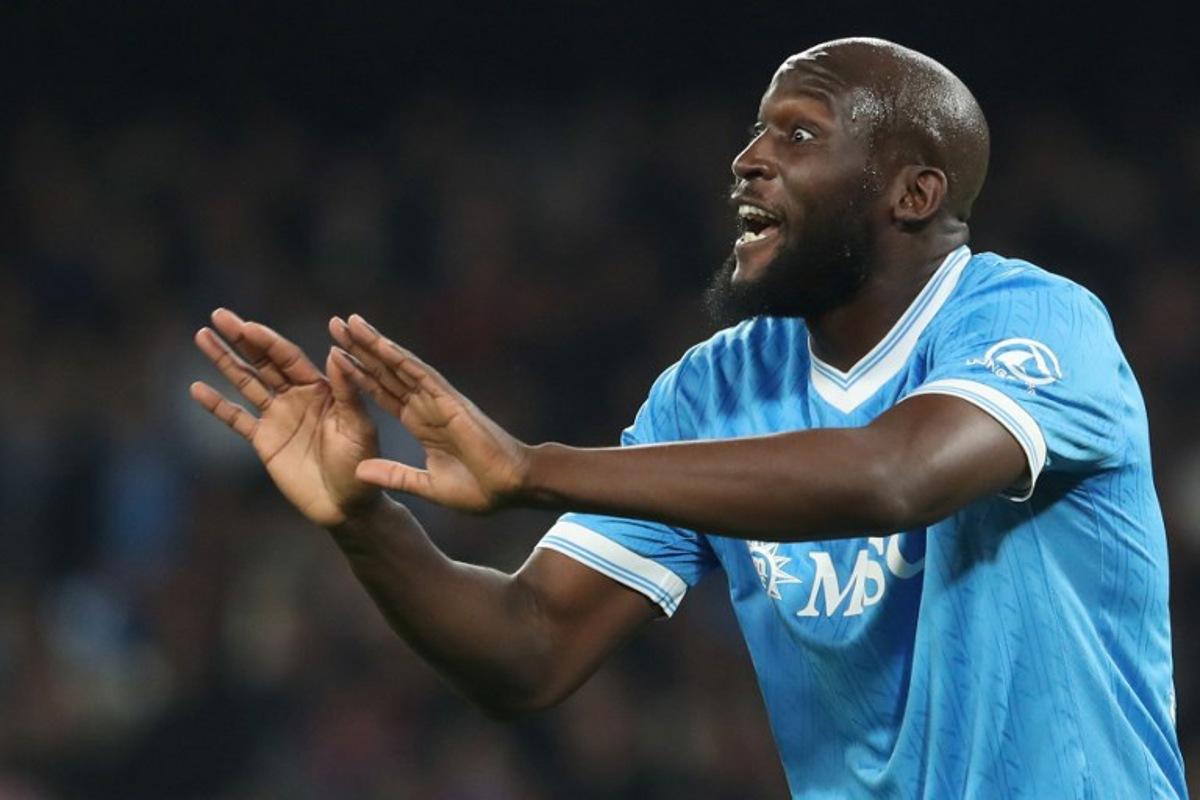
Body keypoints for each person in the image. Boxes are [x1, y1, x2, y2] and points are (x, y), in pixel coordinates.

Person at [190, 37, 1187, 798]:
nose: (747, 160)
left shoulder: (1032, 319)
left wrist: (532, 467)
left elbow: (897, 475)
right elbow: (530, 646)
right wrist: (362, 521)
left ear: (913, 191)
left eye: (797, 133)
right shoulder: (715, 389)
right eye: (755, 130)